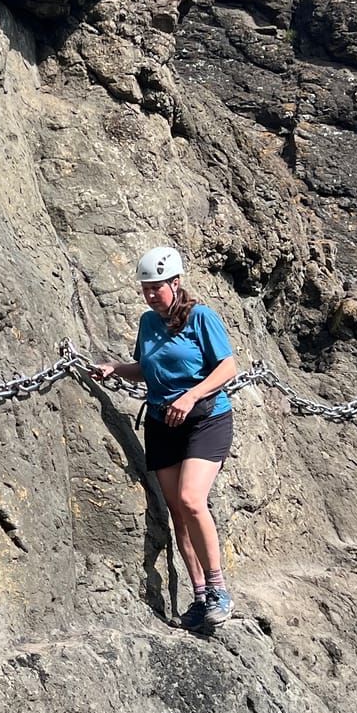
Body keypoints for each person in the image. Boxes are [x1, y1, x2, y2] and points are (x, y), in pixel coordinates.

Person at [92, 246, 241, 628]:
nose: (150, 295)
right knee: (177, 512)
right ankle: (200, 596)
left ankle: (219, 589)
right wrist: (115, 369)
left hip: (205, 420)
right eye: (145, 289)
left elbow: (229, 367)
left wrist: (191, 396)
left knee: (192, 500)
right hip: (162, 423)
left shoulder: (200, 317)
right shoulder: (148, 323)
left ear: (176, 283)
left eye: (157, 288)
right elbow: (147, 368)